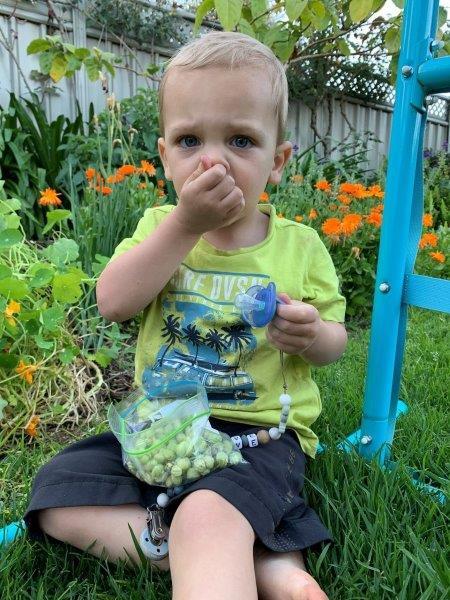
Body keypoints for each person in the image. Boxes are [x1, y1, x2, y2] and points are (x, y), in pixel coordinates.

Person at [24, 31, 347, 600]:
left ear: (277, 162)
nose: (213, 159)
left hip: (256, 437)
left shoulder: (300, 248)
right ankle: (248, 561)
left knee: (210, 510)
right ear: (165, 155)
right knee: (53, 495)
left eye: (241, 140)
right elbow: (112, 302)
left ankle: (218, 548)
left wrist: (313, 334)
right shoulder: (159, 229)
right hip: (163, 433)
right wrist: (184, 225)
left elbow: (335, 344)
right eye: (191, 139)